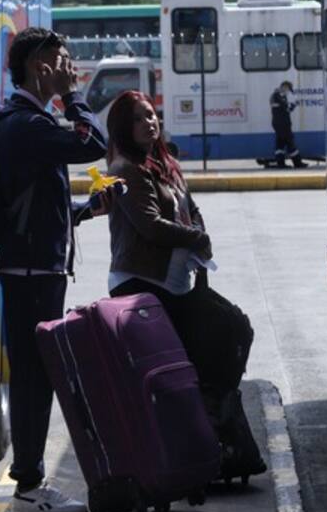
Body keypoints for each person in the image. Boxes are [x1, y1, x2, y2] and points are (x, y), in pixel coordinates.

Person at [103, 90, 266, 480]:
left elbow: (191, 209)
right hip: (142, 287)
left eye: (151, 115)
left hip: (178, 283)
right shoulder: (125, 170)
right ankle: (200, 446)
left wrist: (199, 233)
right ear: (123, 128)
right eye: (138, 119)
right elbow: (150, 226)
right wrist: (197, 239)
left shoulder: (166, 163)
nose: (149, 123)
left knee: (235, 329)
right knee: (196, 356)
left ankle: (214, 435)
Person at [0, 27, 110, 512]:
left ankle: (29, 479)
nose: (69, 70)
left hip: (35, 266)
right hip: (32, 271)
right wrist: (73, 97)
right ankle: (29, 485)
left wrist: (87, 209)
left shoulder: (26, 122)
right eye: (62, 63)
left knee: (36, 375)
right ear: (41, 69)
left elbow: (38, 206)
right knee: (35, 378)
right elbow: (94, 141)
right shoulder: (27, 125)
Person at [270, 80, 306, 168]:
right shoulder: (276, 95)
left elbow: (288, 109)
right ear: (284, 87)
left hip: (281, 123)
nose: (288, 92)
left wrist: (293, 105)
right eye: (288, 89)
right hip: (282, 124)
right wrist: (292, 105)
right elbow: (286, 107)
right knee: (290, 141)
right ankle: (297, 163)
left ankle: (280, 163)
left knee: (280, 143)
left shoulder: (281, 96)